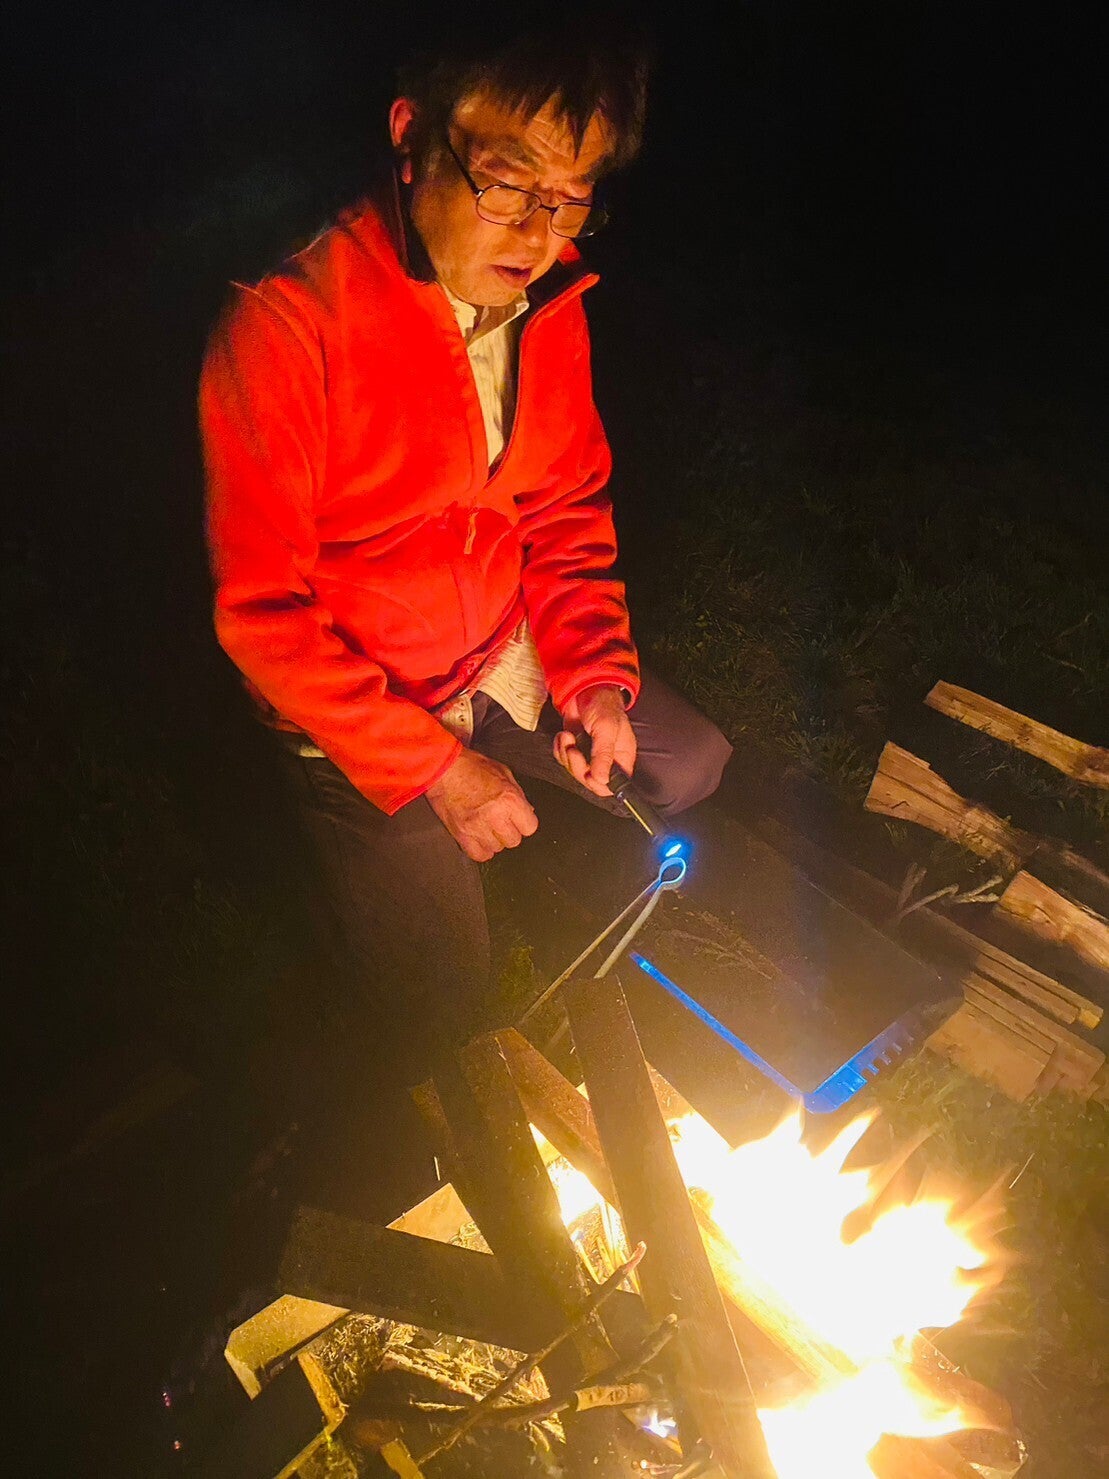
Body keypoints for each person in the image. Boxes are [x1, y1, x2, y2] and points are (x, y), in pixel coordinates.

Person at [199, 15, 731, 1076]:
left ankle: (529, 800)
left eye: (571, 197)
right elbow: (260, 615)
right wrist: (441, 773)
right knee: (446, 1009)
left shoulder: (548, 301)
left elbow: (566, 504)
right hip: (367, 700)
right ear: (413, 136)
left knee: (689, 764)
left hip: (494, 647)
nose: (537, 233)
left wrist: (591, 680)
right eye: (506, 183)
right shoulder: (287, 321)